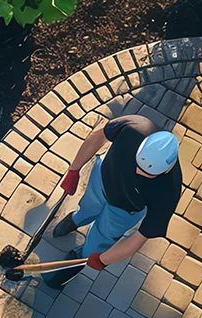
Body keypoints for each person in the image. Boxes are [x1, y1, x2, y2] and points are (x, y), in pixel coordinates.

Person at [44, 114, 182, 290]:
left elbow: (137, 241)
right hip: (101, 180)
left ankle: (77, 260)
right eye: (137, 163)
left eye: (147, 173)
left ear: (166, 170)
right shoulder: (135, 125)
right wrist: (74, 170)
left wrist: (102, 259)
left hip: (123, 211)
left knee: (98, 242)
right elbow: (98, 137)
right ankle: (77, 219)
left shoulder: (169, 192)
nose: (137, 173)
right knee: (87, 207)